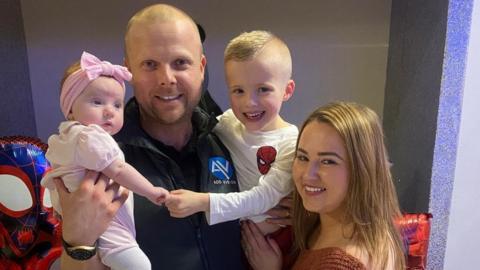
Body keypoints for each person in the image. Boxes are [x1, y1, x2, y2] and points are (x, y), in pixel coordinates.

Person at [55, 4, 262, 270]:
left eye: (180, 63)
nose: (166, 79)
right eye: (150, 64)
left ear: (200, 68)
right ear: (129, 70)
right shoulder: (95, 157)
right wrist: (77, 240)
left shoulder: (231, 139)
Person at [41, 51, 170, 270]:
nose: (109, 111)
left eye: (117, 105)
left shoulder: (64, 137)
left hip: (87, 223)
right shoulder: (89, 137)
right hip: (110, 227)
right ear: (70, 110)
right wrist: (150, 191)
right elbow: (118, 170)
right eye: (97, 102)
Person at [242, 101, 407, 270]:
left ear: (363, 169)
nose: (307, 175)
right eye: (303, 157)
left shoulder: (341, 263)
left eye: (328, 161)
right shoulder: (371, 229)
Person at [166, 30, 297, 236]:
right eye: (238, 91)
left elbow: (262, 198)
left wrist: (202, 202)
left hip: (280, 241)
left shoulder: (293, 143)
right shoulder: (228, 123)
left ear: (287, 90)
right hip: (238, 240)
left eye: (263, 89)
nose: (249, 102)